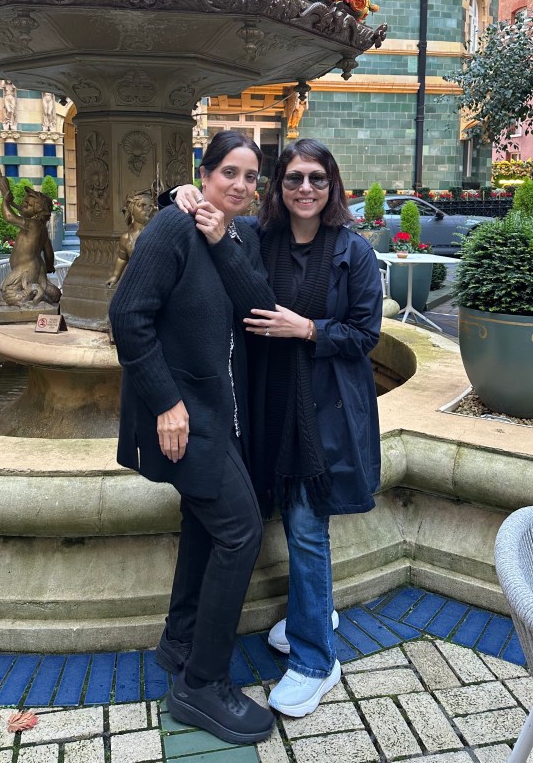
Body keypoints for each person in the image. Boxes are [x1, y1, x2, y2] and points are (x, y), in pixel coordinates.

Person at [172, 138, 383, 719]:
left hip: (322, 414)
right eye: (294, 179)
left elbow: (366, 334)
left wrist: (308, 329)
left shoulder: (354, 251)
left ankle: (316, 660)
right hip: (267, 406)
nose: (305, 189)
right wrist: (180, 193)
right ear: (279, 187)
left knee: (308, 529)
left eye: (317, 178)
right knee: (291, 523)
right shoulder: (258, 238)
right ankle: (311, 613)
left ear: (332, 185)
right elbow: (215, 221)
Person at [109, 132, 277, 746]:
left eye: (250, 176)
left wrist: (221, 238)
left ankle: (181, 643)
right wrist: (166, 402)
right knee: (241, 531)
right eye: (228, 172)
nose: (240, 185)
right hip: (184, 417)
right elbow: (127, 316)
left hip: (220, 416)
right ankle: (202, 686)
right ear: (203, 175)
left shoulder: (239, 235)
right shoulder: (170, 228)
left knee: (207, 528)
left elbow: (259, 308)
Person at [0, 176, 60, 307]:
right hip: (35, 267)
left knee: (7, 292)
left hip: (25, 269)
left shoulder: (33, 224)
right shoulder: (41, 228)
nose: (23, 205)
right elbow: (48, 251)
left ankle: (32, 297)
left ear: (38, 211)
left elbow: (9, 217)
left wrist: (5, 201)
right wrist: (49, 266)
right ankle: (45, 294)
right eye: (24, 202)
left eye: (28, 205)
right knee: (54, 294)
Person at [106, 190, 156, 290]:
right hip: (135, 280)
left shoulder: (156, 233)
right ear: (131, 209)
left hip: (155, 279)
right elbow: (122, 258)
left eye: (150, 206)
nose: (148, 209)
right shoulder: (126, 238)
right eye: (141, 205)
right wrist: (115, 276)